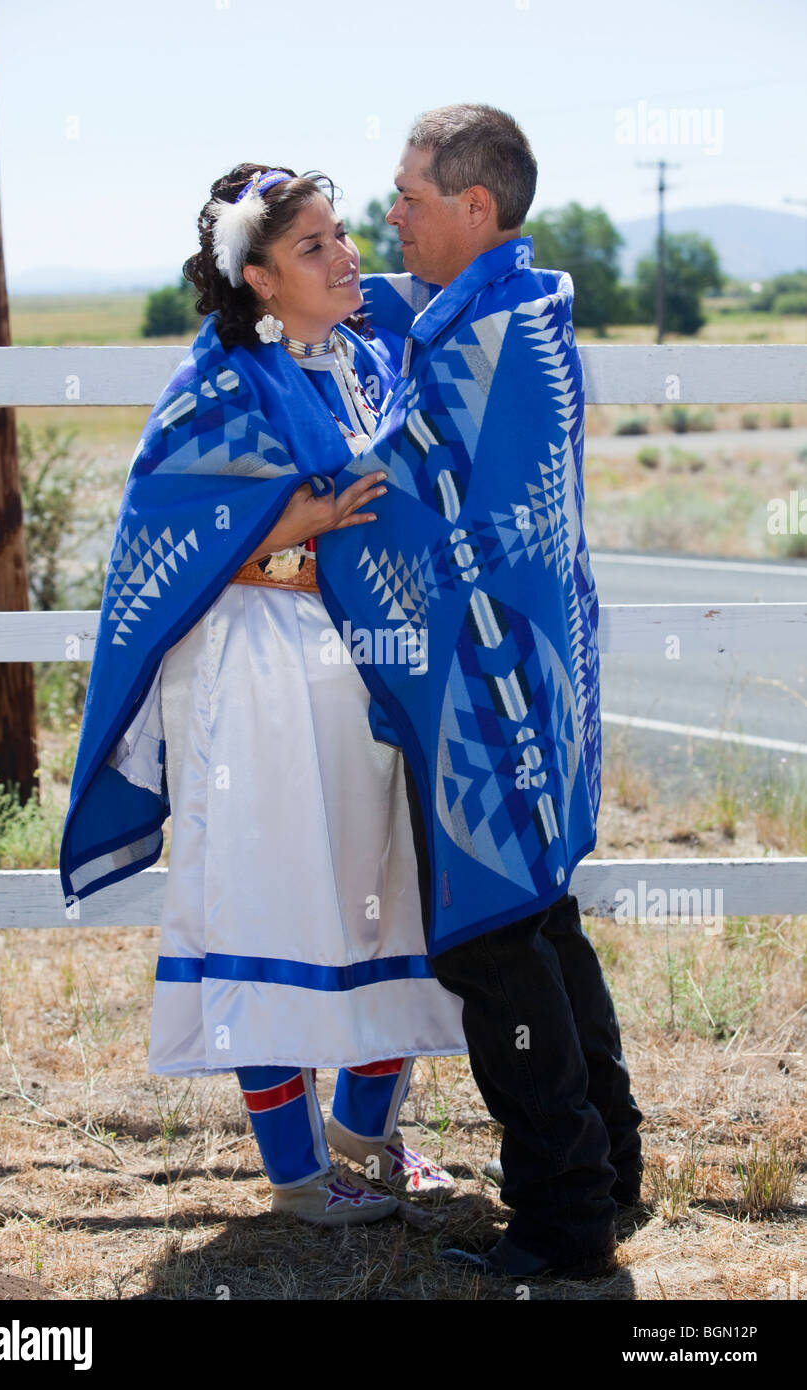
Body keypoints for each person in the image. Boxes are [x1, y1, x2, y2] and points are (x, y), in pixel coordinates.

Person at [59, 163, 466, 1227]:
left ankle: (364, 1139)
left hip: (375, 659)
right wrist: (299, 522)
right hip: (264, 674)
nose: (347, 259)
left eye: (340, 236)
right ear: (256, 278)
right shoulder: (221, 384)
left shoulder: (369, 360)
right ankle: (294, 1174)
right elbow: (165, 523)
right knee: (276, 890)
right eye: (316, 247)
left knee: (392, 885)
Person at [313, 105, 644, 1277]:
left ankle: (563, 1226)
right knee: (543, 915)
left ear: (474, 208)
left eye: (404, 195)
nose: (383, 215)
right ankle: (612, 1168)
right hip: (536, 688)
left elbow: (389, 491)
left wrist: (292, 519)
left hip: (489, 699)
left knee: (493, 946)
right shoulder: (512, 308)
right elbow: (388, 319)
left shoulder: (483, 345)